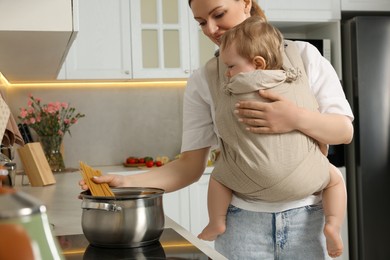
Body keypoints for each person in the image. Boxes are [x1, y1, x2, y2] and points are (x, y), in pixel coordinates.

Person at [79, 0, 354, 259]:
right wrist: (125, 182)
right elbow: (189, 167)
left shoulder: (304, 57)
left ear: (246, 3)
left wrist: (295, 118)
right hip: (242, 226)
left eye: (218, 14)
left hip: (306, 220)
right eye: (200, 22)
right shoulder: (204, 79)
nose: (211, 29)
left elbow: (343, 131)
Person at [196, 16, 346, 258]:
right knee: (335, 179)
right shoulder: (295, 81)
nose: (228, 74)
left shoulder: (228, 87)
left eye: (231, 67)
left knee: (218, 177)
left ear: (257, 62)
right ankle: (334, 224)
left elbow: (223, 128)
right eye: (201, 22)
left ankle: (217, 221)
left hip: (246, 190)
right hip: (303, 184)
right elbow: (328, 128)